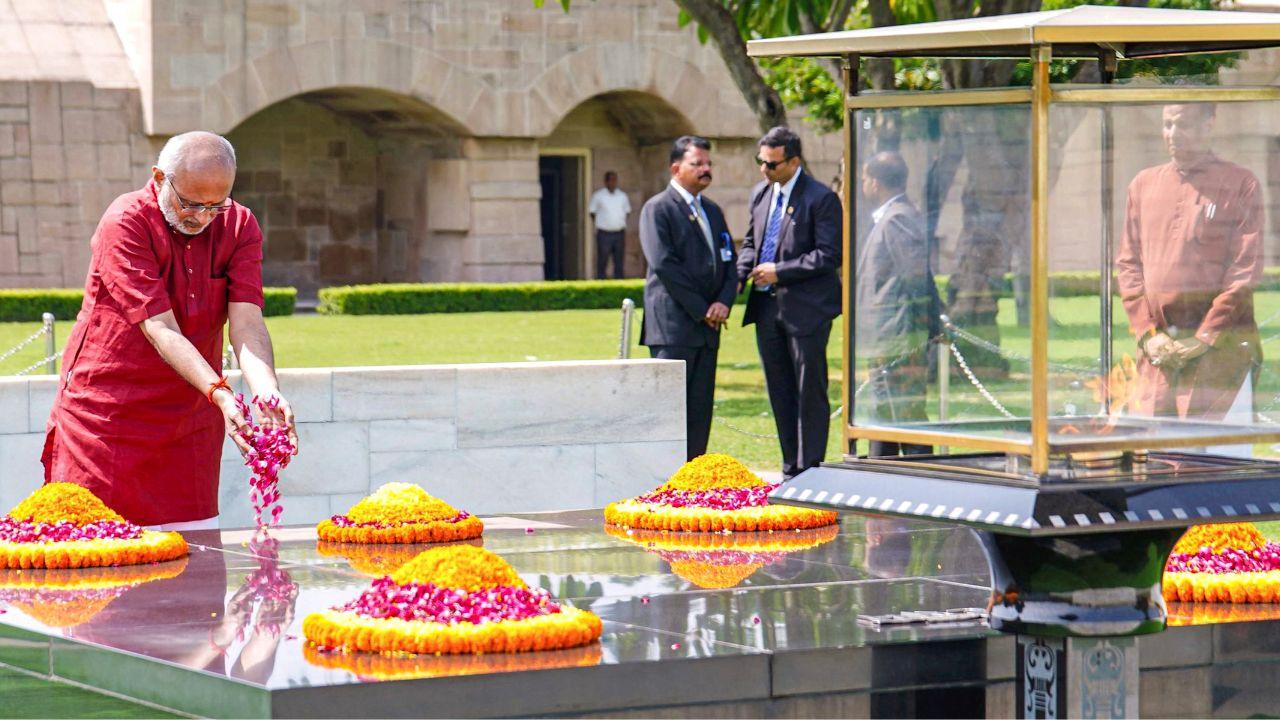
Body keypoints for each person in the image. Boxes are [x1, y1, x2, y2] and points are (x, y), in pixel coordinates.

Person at [42, 131, 298, 530]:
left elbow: (247, 321)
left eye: (216, 205)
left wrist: (266, 391)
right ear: (160, 178)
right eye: (191, 203)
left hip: (192, 415)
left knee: (194, 564)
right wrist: (220, 392)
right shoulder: (126, 220)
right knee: (98, 565)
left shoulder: (238, 224)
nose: (201, 217)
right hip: (110, 416)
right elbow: (161, 328)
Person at [1116, 103, 1263, 421]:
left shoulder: (1240, 183)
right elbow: (1128, 265)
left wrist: (1204, 338)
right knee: (1155, 459)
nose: (1172, 134)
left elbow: (1244, 270)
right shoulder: (1143, 184)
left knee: (1218, 463)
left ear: (1209, 124)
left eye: (1182, 125)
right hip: (1159, 353)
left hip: (1220, 353)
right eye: (1167, 125)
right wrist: (1148, 334)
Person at [736, 126, 842, 479]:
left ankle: (810, 467)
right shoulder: (761, 194)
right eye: (760, 162)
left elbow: (828, 255)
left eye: (772, 164)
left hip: (807, 310)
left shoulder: (821, 198)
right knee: (779, 388)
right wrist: (740, 274)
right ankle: (789, 468)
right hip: (767, 309)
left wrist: (780, 271)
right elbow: (751, 242)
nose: (764, 170)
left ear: (794, 161)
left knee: (809, 389)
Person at [639, 136, 737, 460]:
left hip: (708, 330)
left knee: (699, 412)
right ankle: (665, 483)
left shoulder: (712, 210)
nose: (706, 169)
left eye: (709, 164)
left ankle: (693, 481)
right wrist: (703, 309)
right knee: (669, 412)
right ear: (676, 168)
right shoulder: (658, 209)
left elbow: (729, 260)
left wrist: (724, 302)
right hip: (674, 329)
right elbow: (664, 264)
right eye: (698, 164)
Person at [856, 151, 940, 457]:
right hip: (886, 338)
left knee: (906, 415)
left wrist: (930, 326)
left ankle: (927, 486)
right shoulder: (890, 217)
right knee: (884, 416)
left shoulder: (898, 217)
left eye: (865, 179)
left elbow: (917, 278)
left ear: (876, 183)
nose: (863, 185)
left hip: (898, 337)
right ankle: (882, 483)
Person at [588, 170, 631, 279]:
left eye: (615, 180)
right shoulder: (598, 196)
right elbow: (592, 212)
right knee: (603, 260)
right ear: (606, 182)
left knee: (619, 261)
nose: (613, 182)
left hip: (619, 233)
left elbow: (627, 212)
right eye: (611, 180)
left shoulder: (622, 196)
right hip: (604, 234)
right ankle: (601, 282)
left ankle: (619, 282)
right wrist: (603, 223)